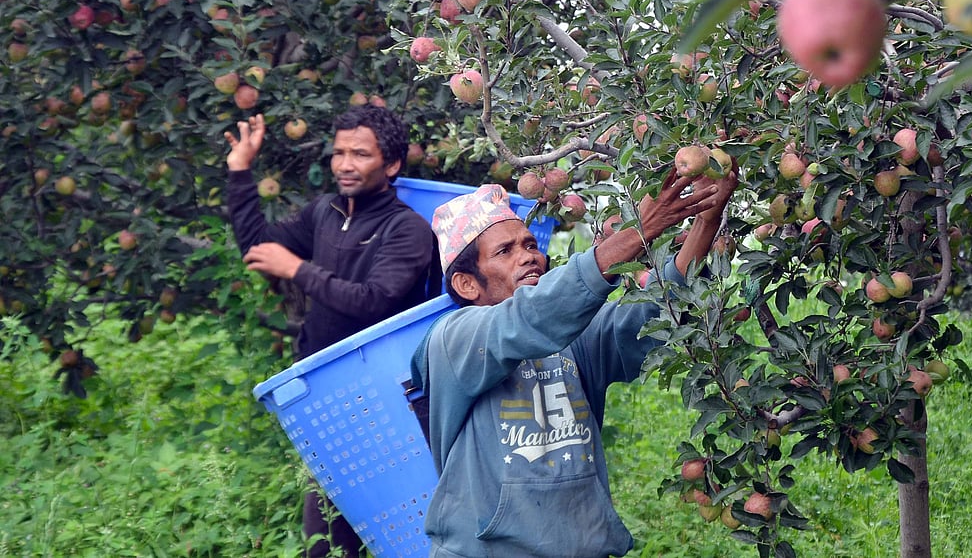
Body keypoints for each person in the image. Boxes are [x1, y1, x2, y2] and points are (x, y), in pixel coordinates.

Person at [410, 164, 738, 557]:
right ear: (467, 284)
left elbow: (652, 321)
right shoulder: (453, 340)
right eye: (505, 250)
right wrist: (639, 231)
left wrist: (707, 219)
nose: (528, 257)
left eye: (531, 245)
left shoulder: (570, 337)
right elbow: (531, 317)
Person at [224, 106, 441, 558]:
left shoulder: (408, 230)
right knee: (325, 539)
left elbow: (373, 301)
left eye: (360, 154)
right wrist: (241, 171)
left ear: (392, 164)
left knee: (406, 528)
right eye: (339, 152)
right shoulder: (324, 212)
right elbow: (259, 247)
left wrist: (298, 270)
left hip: (387, 400)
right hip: (328, 399)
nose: (344, 164)